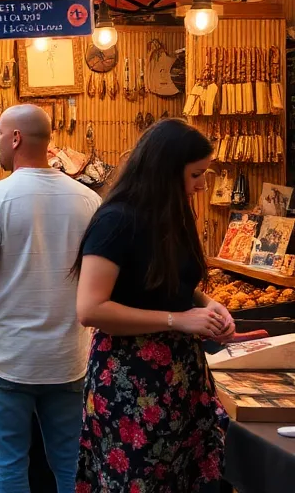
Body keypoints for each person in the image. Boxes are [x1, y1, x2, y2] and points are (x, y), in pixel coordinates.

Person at [72, 119, 233, 491]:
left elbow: (174, 283)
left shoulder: (174, 215)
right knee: (137, 479)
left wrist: (210, 305)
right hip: (132, 380)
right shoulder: (115, 221)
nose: (201, 185)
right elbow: (91, 309)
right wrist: (178, 320)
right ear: (165, 170)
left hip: (181, 376)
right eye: (195, 175)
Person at [0, 105, 100, 492]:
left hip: (9, 355)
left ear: (16, 138)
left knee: (9, 463)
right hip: (68, 356)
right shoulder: (88, 199)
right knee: (69, 462)